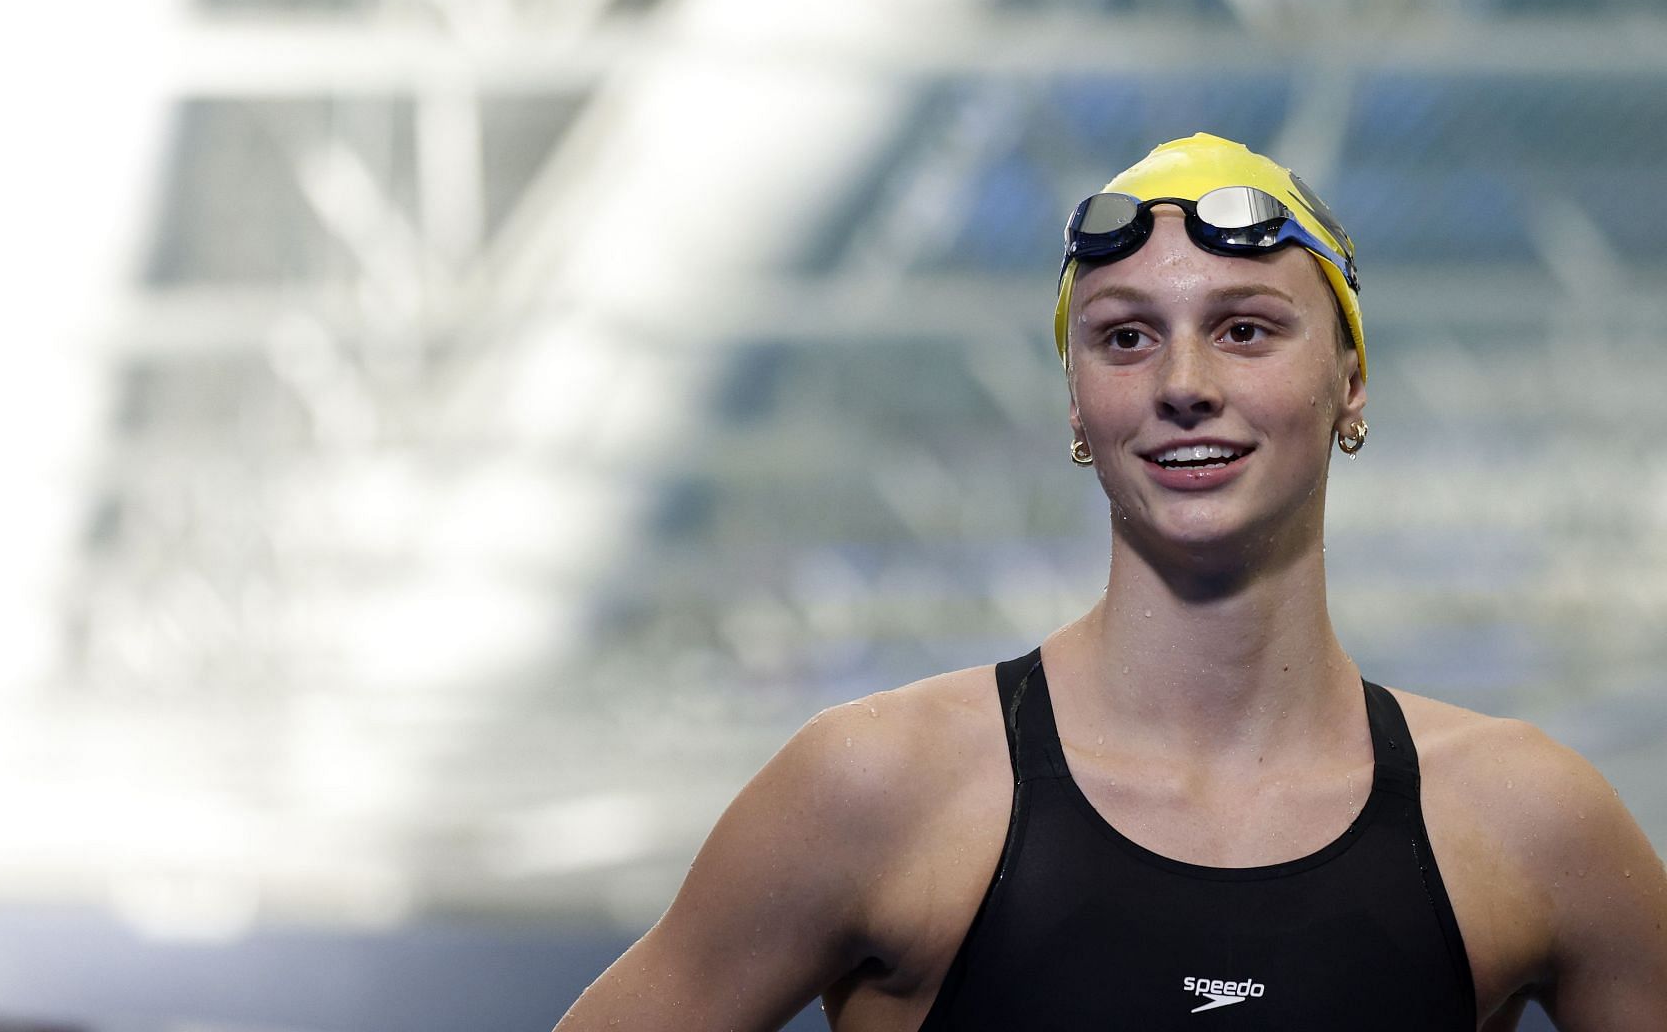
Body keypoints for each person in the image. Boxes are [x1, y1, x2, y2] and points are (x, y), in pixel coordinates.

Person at [553, 134, 1667, 1030]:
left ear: (1351, 379)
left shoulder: (1527, 819)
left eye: (1245, 329)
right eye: (1126, 337)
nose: (1184, 383)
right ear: (1078, 405)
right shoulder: (882, 786)